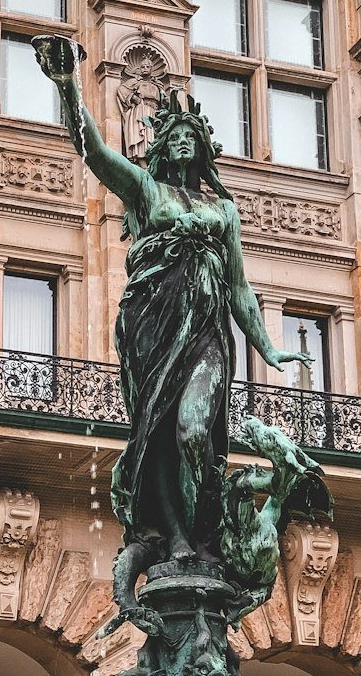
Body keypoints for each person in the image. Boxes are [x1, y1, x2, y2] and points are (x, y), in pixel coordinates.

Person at [32, 34, 310, 571]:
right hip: (151, 324)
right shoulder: (145, 190)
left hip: (205, 329)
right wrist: (68, 87)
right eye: (175, 135)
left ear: (203, 148)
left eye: (191, 135)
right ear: (163, 145)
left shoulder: (222, 210)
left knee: (192, 430)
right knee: (157, 430)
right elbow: (91, 150)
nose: (183, 141)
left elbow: (239, 287)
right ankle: (178, 535)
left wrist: (269, 349)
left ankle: (207, 523)